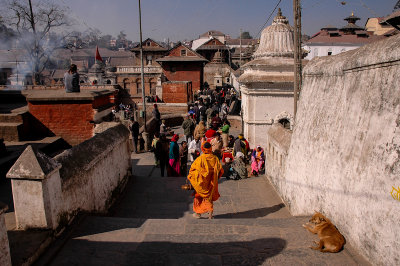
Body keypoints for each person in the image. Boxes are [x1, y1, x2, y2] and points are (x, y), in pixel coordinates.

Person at [187, 142, 224, 219]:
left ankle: (198, 214)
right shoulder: (215, 159)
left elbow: (192, 170)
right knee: (209, 198)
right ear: (210, 148)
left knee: (198, 197)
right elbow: (220, 171)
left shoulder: (200, 159)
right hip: (211, 183)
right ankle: (210, 215)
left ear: (203, 149)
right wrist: (215, 178)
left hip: (201, 182)